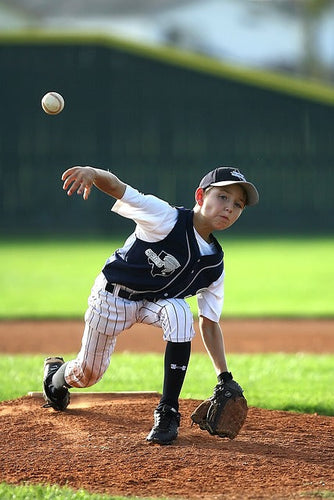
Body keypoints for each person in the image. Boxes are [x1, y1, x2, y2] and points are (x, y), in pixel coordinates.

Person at [43, 165, 259, 445]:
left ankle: (168, 411)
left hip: (152, 303)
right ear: (200, 196)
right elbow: (120, 188)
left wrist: (224, 375)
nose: (229, 207)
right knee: (88, 374)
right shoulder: (165, 217)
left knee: (181, 312)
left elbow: (209, 321)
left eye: (238, 204)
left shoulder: (214, 264)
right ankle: (54, 379)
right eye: (223, 197)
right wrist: (92, 174)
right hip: (113, 297)